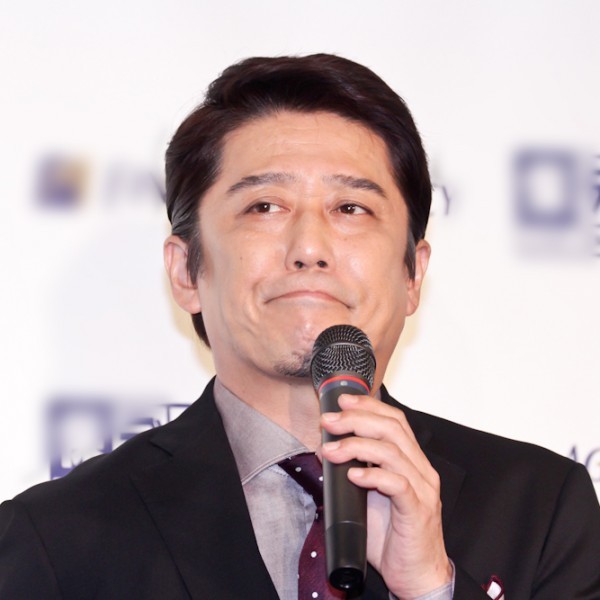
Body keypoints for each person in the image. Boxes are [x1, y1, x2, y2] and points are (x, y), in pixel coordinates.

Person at [1, 54, 599, 600]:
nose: (309, 247)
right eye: (264, 207)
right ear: (186, 271)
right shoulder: (51, 539)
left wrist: (431, 590)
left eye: (351, 208)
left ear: (413, 274)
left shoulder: (543, 509)